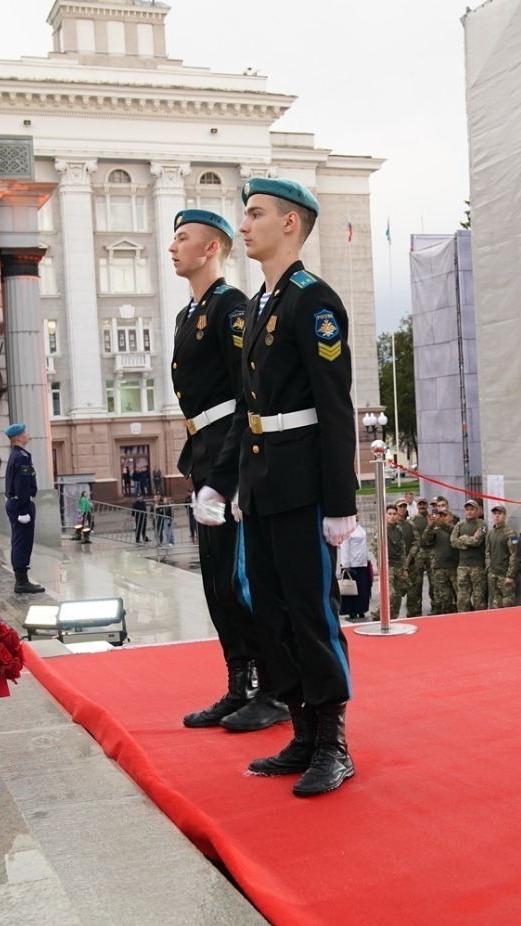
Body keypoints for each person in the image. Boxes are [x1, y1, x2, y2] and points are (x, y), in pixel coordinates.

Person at [198, 176, 358, 797]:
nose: (244, 225)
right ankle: (300, 729)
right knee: (271, 613)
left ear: (290, 224)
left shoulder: (311, 301)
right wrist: (223, 482)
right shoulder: (261, 306)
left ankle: (333, 743)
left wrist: (341, 504)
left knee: (310, 614)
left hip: (302, 484)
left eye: (256, 214)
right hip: (262, 484)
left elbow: (335, 407)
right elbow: (247, 409)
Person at [169, 206, 287, 733]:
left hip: (229, 459)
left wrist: (227, 475)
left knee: (240, 582)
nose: (173, 247)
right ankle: (238, 685)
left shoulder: (231, 308)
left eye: (182, 238)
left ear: (210, 247)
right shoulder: (186, 313)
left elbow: (247, 396)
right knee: (216, 583)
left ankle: (272, 688)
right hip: (203, 454)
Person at [3, 423, 44, 594]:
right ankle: (21, 582)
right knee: (22, 542)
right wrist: (23, 510)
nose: (27, 434)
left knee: (20, 541)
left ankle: (22, 579)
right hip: (21, 504)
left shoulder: (18, 455)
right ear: (18, 437)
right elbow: (21, 484)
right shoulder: (20, 457)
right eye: (24, 432)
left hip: (19, 502)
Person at [421, 496, 459, 615]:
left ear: (451, 516)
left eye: (445, 515)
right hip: (440, 565)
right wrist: (430, 526)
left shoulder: (456, 526)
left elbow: (452, 530)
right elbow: (426, 540)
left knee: (459, 595)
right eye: (440, 515)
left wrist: (439, 523)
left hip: (454, 565)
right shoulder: (436, 527)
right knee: (444, 596)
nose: (442, 518)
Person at [450, 498, 489, 612]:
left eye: (472, 509)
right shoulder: (460, 524)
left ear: (477, 511)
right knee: (462, 599)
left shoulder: (482, 524)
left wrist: (462, 538)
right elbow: (453, 541)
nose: (469, 512)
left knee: (479, 599)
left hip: (477, 566)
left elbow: (477, 541)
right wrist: (467, 542)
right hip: (462, 566)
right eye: (467, 509)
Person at [385, 502, 416, 618]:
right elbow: (376, 549)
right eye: (390, 514)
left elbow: (402, 549)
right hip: (388, 566)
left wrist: (404, 568)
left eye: (394, 514)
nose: (392, 516)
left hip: (399, 565)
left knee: (398, 596)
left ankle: (394, 618)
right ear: (385, 515)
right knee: (390, 594)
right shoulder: (382, 529)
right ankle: (377, 615)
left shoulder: (398, 529)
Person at [485, 504, 518, 609]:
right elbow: (487, 552)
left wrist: (510, 575)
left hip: (504, 575)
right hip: (493, 574)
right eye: (494, 514)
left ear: (504, 515)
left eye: (499, 513)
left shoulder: (510, 534)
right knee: (495, 603)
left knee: (508, 603)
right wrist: (489, 569)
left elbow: (514, 555)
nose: (497, 516)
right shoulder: (490, 533)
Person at [338, 521, 373, 621]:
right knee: (351, 590)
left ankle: (361, 609)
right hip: (352, 564)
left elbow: (364, 545)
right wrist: (345, 564)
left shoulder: (359, 528)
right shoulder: (346, 530)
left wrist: (367, 558)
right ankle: (351, 611)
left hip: (362, 563)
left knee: (362, 590)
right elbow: (344, 547)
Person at [405, 497, 430, 616]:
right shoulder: (413, 520)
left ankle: (436, 606)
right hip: (418, 553)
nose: (422, 506)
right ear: (417, 506)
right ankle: (415, 609)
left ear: (427, 505)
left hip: (432, 552)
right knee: (416, 582)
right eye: (420, 504)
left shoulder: (432, 518)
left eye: (424, 504)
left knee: (434, 581)